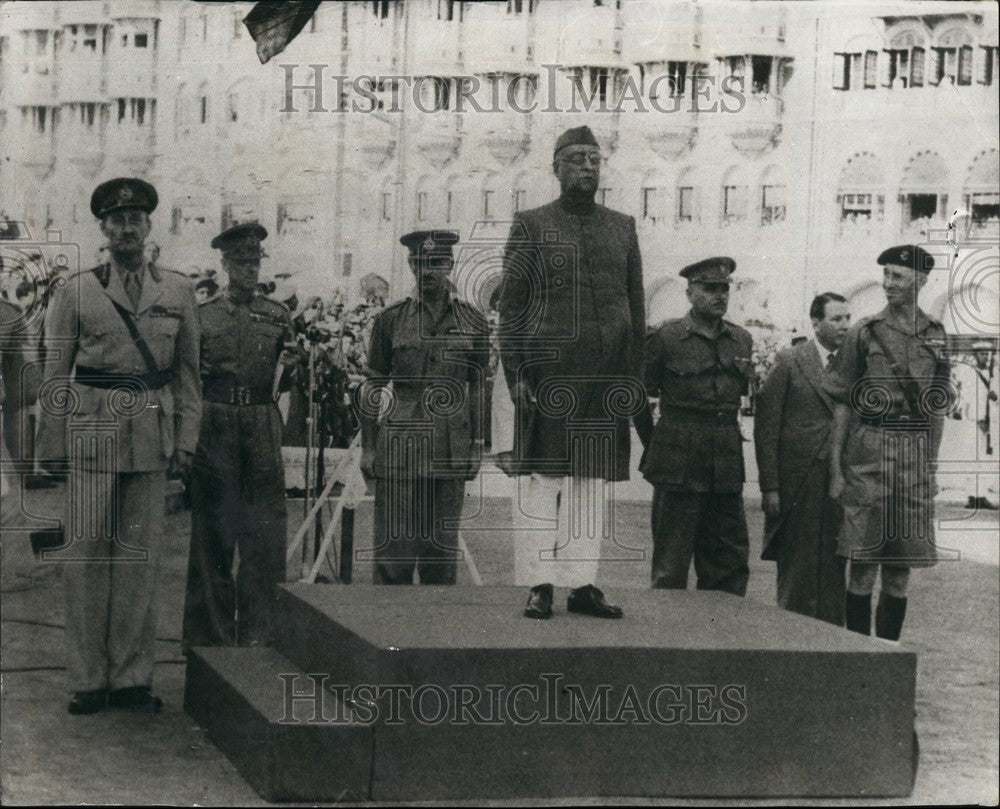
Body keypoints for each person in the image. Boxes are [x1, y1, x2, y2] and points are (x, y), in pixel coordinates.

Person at [37, 177, 201, 714]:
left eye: (136, 219)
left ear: (149, 227)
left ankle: (131, 677)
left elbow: (189, 377)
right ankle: (87, 678)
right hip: (91, 433)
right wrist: (52, 442)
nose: (127, 228)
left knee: (139, 559)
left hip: (151, 434)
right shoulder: (77, 291)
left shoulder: (176, 291)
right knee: (85, 558)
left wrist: (187, 443)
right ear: (103, 229)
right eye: (117, 220)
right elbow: (55, 372)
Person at [498, 125, 649, 620]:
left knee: (589, 481)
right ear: (556, 167)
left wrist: (632, 379)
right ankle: (539, 583)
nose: (588, 167)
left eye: (595, 159)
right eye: (577, 159)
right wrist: (516, 373)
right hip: (547, 378)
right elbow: (513, 309)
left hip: (606, 380)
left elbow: (636, 307)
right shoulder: (530, 223)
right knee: (542, 479)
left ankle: (582, 585)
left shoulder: (622, 226)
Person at [826, 245, 950, 640]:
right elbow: (843, 404)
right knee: (861, 567)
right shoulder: (865, 331)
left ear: (922, 280)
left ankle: (888, 660)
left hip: (913, 460)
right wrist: (837, 470)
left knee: (899, 572)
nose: (888, 284)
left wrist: (929, 470)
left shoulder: (936, 334)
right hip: (868, 454)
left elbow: (936, 410)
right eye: (886, 276)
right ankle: (858, 662)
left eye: (898, 276)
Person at [182, 223, 296, 649]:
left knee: (265, 533)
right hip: (216, 422)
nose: (249, 269)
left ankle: (260, 638)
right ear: (225, 264)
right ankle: (209, 642)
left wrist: (294, 369)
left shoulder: (278, 315)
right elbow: (189, 380)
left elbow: (284, 381)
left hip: (262, 421)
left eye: (255, 261)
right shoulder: (202, 315)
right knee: (213, 533)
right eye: (241, 262)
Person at [360, 229, 489, 585]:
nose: (427, 271)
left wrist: (479, 445)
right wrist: (369, 447)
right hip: (399, 446)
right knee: (395, 555)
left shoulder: (472, 320)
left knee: (441, 556)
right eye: (419, 263)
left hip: (450, 448)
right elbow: (372, 384)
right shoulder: (391, 320)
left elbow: (478, 385)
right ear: (410, 265)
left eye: (435, 263)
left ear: (449, 264)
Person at [642, 257, 754, 596]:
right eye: (710, 289)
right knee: (671, 566)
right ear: (690, 293)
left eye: (724, 289)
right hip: (678, 460)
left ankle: (723, 642)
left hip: (725, 461)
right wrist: (656, 444)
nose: (720, 295)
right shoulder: (666, 338)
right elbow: (636, 397)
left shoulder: (741, 340)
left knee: (729, 564)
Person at [755, 292, 851, 625]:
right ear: (815, 323)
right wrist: (770, 487)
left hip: (838, 485)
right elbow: (766, 428)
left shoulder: (853, 367)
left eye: (847, 319)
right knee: (796, 571)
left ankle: (831, 655)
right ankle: (790, 645)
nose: (845, 325)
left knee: (835, 571)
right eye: (836, 319)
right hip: (797, 486)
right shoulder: (790, 360)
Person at [955, 339, 998, 510]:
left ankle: (979, 495)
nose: (985, 357)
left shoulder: (992, 374)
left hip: (989, 422)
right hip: (974, 422)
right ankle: (973, 496)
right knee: (972, 459)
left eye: (987, 354)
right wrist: (980, 418)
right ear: (975, 355)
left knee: (984, 460)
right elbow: (970, 397)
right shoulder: (970, 373)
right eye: (982, 354)